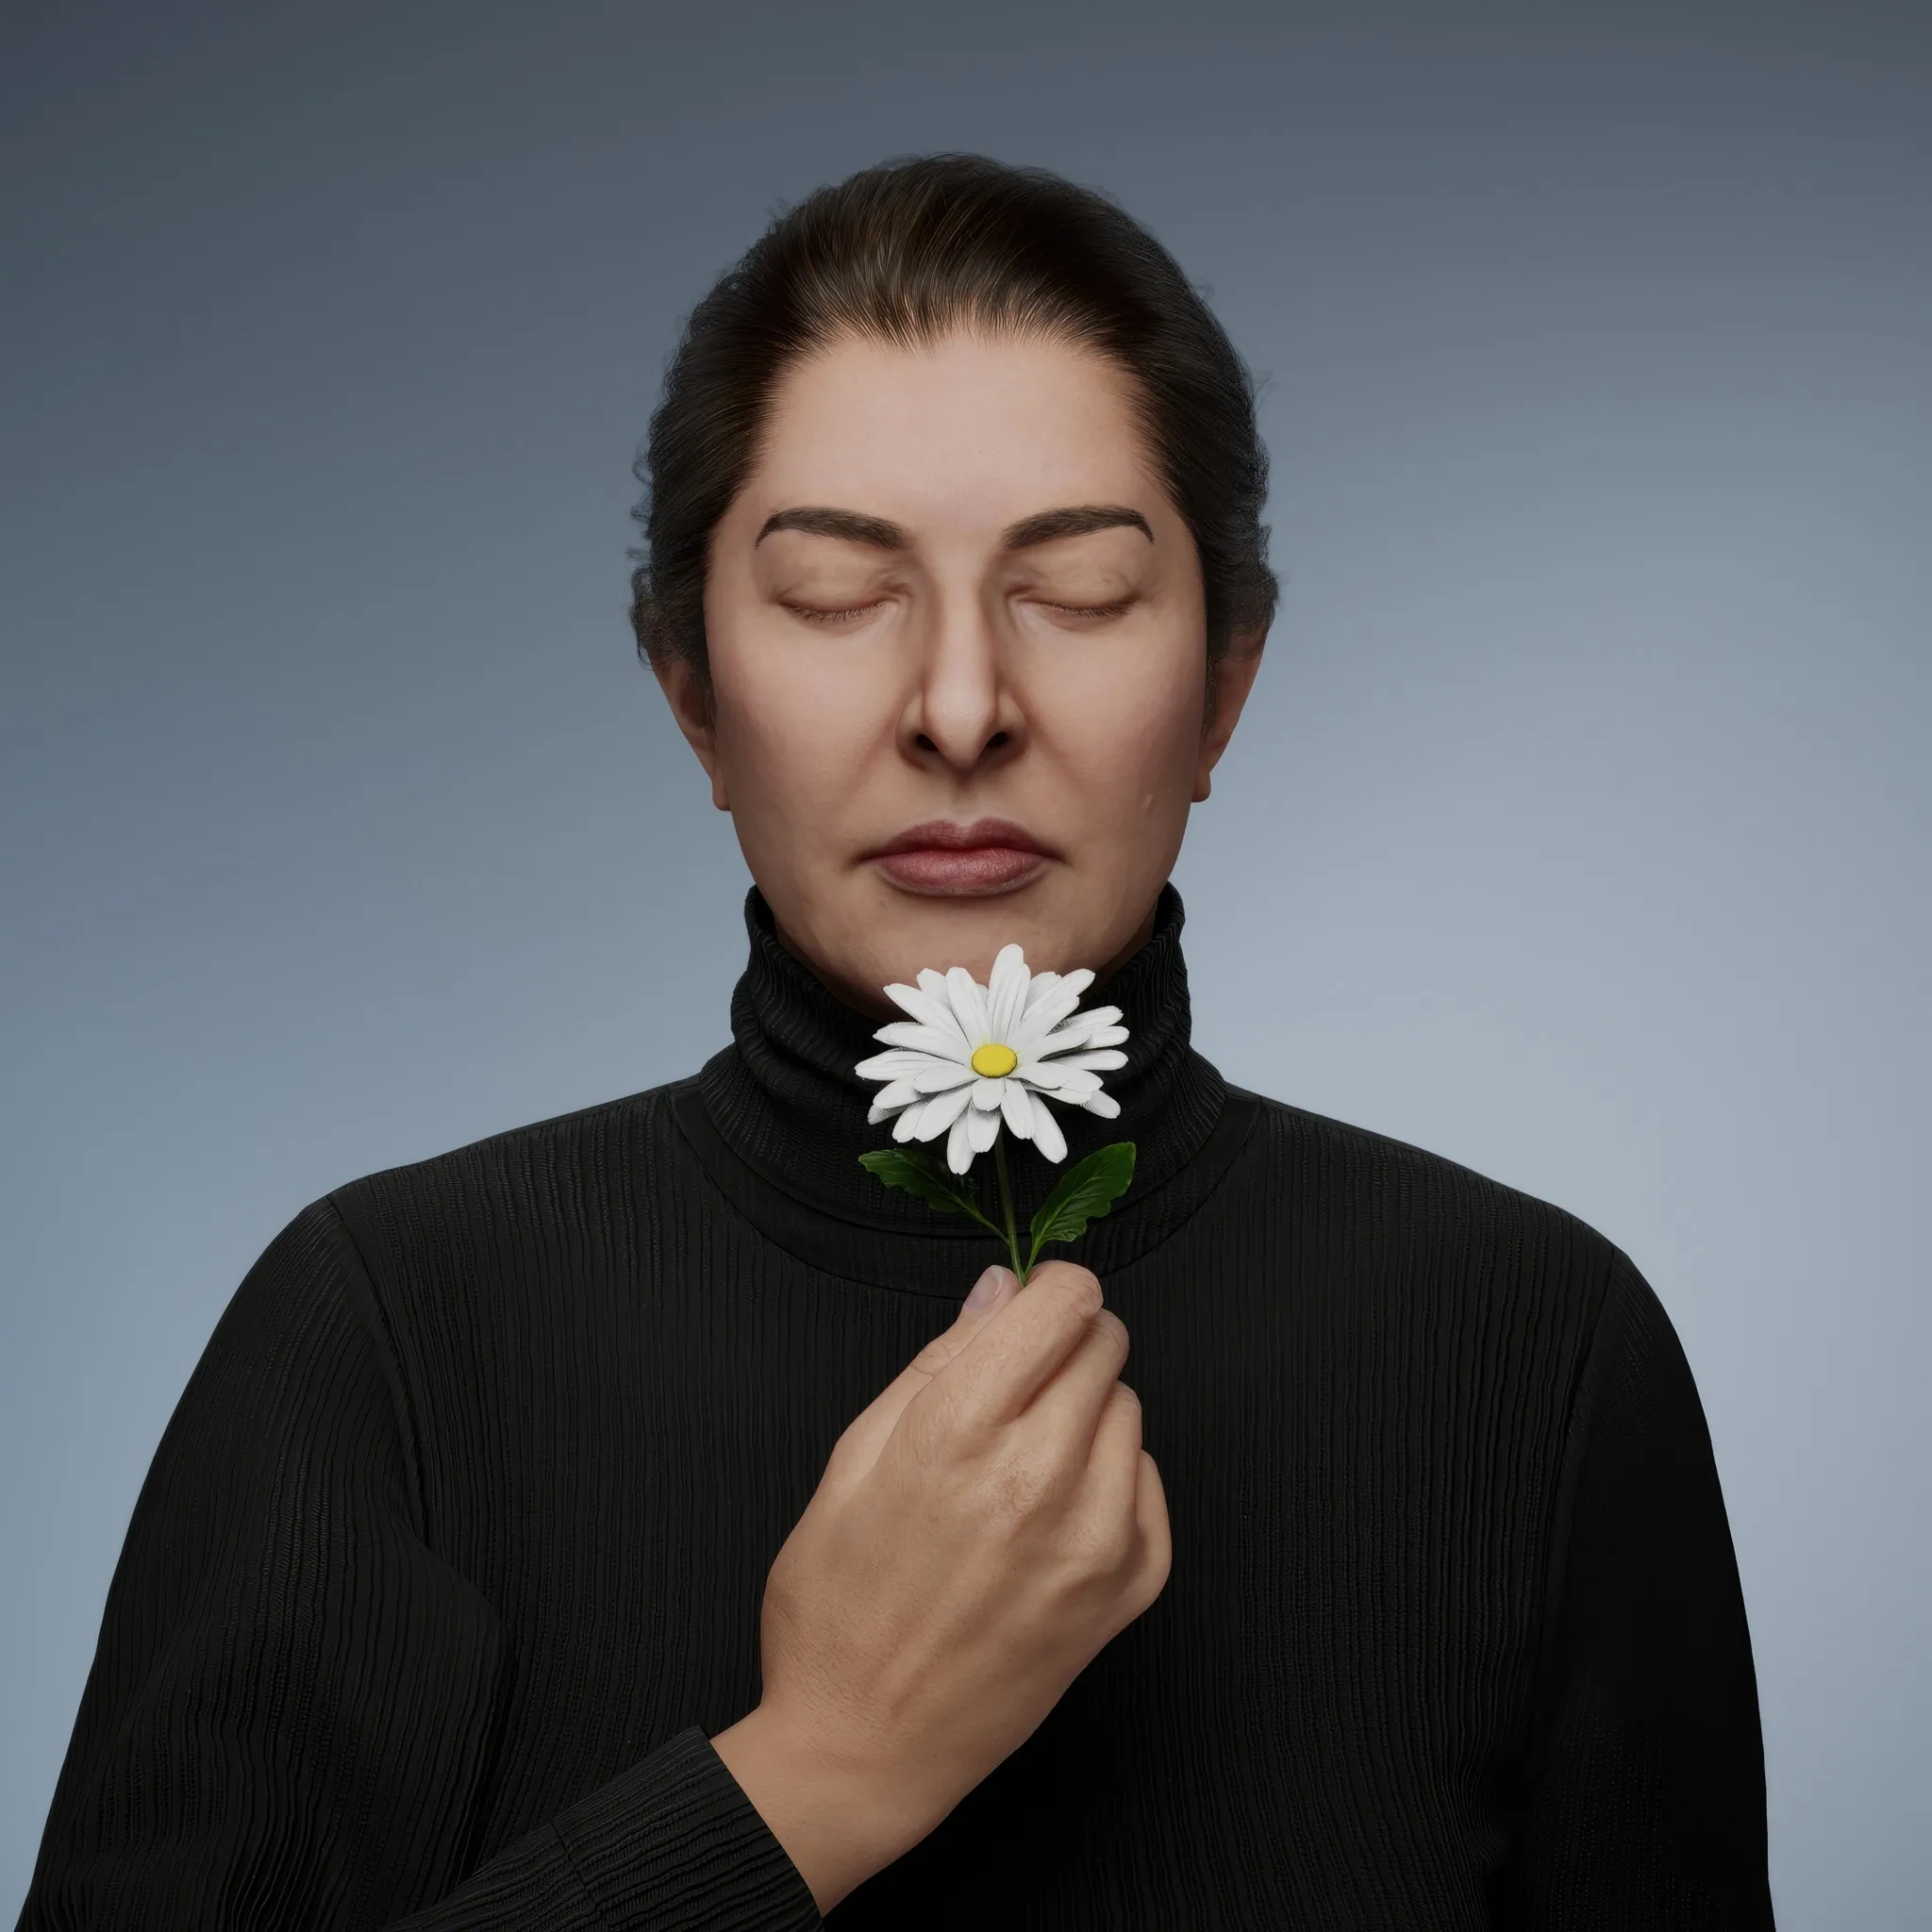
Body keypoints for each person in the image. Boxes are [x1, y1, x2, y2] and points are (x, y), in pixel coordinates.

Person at [18, 154, 1774, 1929]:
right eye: (836, 597)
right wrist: (819, 1772)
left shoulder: (1533, 1350)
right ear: (694, 697)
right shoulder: (389, 1336)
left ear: (1225, 687)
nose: (959, 707)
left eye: (1076, 592)